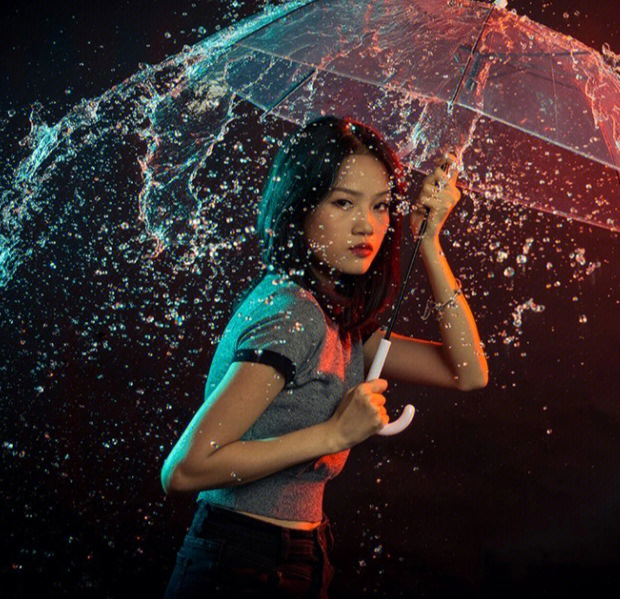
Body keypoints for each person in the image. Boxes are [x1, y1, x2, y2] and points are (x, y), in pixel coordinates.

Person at [160, 115, 489, 598]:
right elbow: (185, 470)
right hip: (242, 564)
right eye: (342, 203)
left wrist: (430, 243)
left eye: (380, 206)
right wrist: (334, 433)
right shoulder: (295, 315)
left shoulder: (336, 318)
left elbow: (467, 372)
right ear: (300, 208)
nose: (367, 225)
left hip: (300, 554)